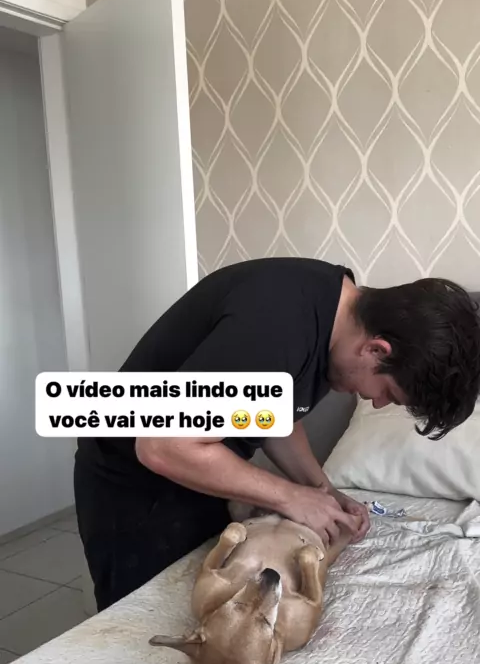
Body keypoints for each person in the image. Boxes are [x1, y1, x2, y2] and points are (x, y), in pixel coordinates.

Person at [73, 258, 480, 611]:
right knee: (147, 634)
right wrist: (291, 497)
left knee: (207, 607)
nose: (376, 403)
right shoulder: (276, 324)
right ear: (376, 350)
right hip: (134, 486)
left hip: (196, 472)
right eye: (388, 392)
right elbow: (163, 445)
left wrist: (322, 491)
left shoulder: (331, 317)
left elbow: (271, 417)